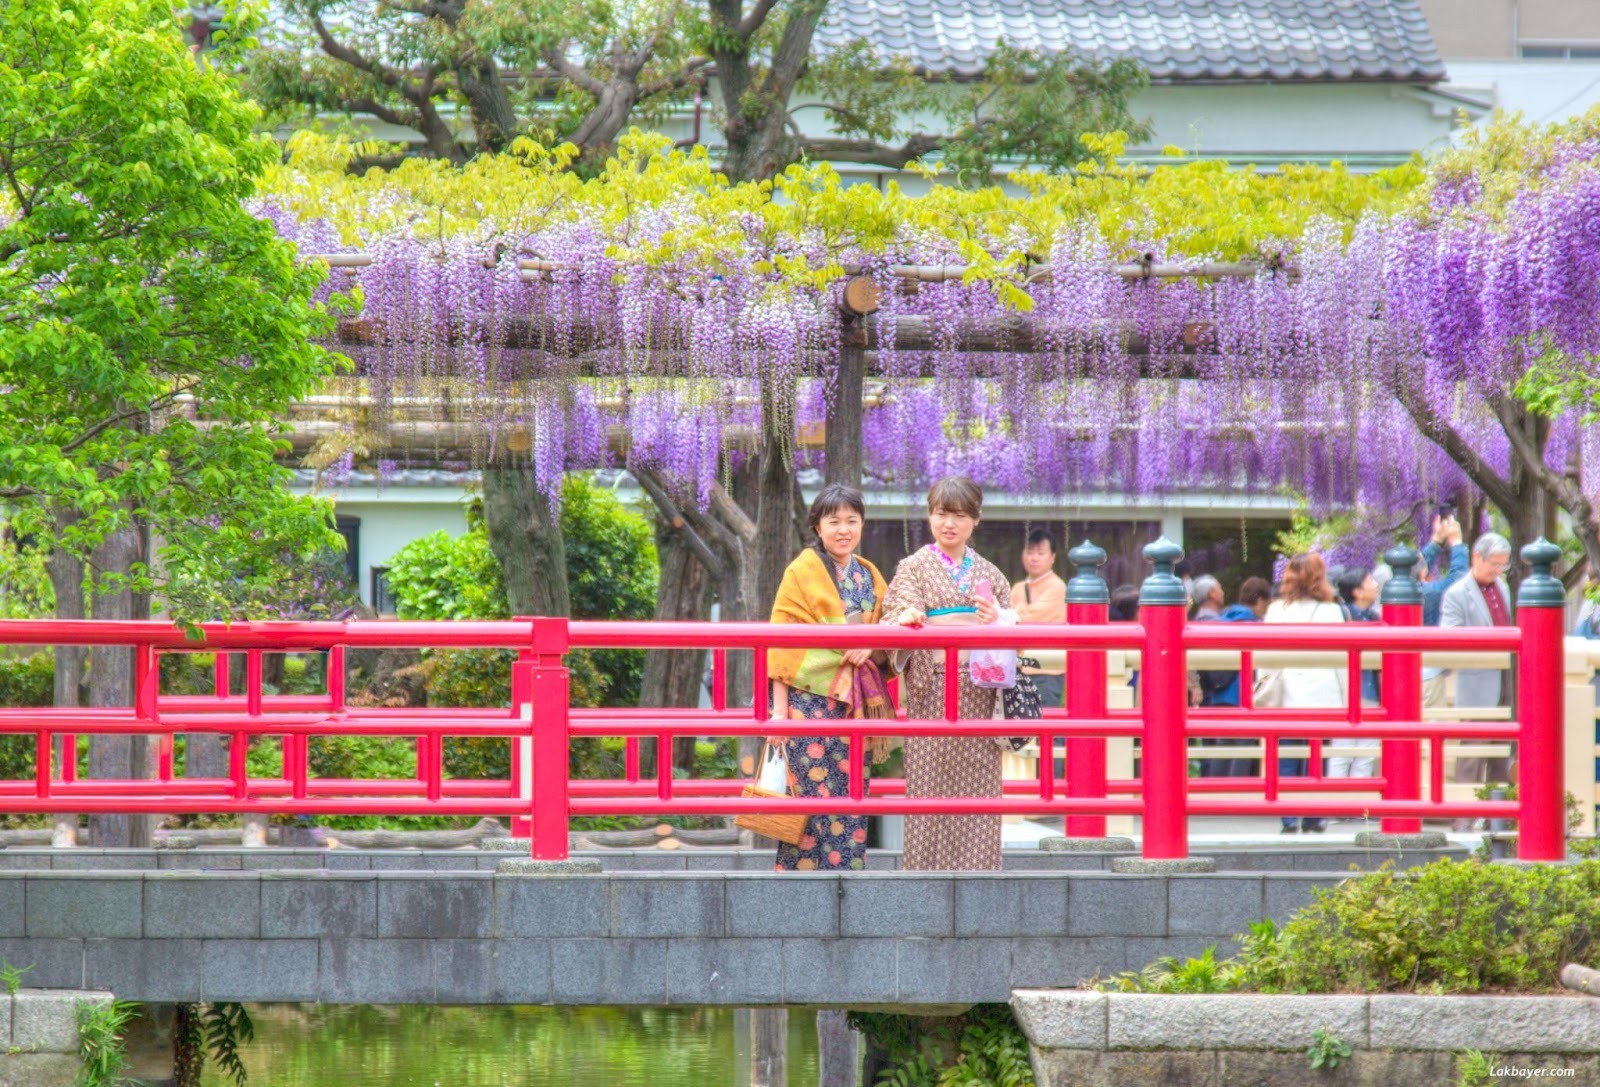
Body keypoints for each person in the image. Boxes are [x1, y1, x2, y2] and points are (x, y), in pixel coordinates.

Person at [882, 476, 1016, 871]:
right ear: (930, 516)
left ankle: (978, 871)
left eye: (959, 515)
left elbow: (1013, 627)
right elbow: (896, 611)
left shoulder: (990, 573)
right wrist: (909, 617)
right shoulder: (912, 568)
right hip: (933, 685)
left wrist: (997, 619)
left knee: (979, 781)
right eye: (941, 514)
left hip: (979, 686)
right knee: (929, 780)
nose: (949, 524)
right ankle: (924, 872)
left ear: (976, 519)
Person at [765, 484, 893, 871]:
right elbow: (783, 646)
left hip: (854, 706)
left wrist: (871, 645)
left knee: (852, 798)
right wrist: (779, 713)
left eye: (852, 521)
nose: (843, 530)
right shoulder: (801, 572)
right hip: (807, 703)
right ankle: (801, 888)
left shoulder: (870, 575)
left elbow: (888, 636)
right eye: (833, 521)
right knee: (808, 800)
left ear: (862, 525)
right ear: (817, 527)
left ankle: (847, 881)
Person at [1264, 553, 1347, 833]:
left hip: (1287, 689)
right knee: (1317, 756)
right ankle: (1314, 815)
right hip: (1322, 690)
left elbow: (1265, 658)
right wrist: (1346, 698)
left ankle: (1288, 816)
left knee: (1287, 755)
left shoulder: (1276, 610)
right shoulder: (1331, 611)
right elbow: (1342, 659)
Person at [1441, 533, 1514, 829]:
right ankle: (1464, 819)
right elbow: (1449, 638)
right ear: (1476, 557)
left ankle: (1497, 818)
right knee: (1472, 752)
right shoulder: (1457, 593)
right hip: (1477, 679)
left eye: (1502, 565)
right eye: (1494, 564)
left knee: (1502, 751)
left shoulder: (1503, 587)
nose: (1498, 570)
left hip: (1505, 676)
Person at [1195, 577, 1272, 777]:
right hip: (1242, 693)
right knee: (1243, 747)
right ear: (1260, 600)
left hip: (1219, 693)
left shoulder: (1222, 620)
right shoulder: (1253, 625)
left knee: (1223, 746)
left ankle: (1215, 790)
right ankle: (1237, 792)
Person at [1328, 565, 1380, 782]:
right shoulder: (1342, 615)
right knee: (1343, 752)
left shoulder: (1374, 616)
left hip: (1372, 691)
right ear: (1357, 592)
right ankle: (1336, 798)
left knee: (1367, 753)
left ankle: (1360, 800)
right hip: (1348, 693)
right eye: (1370, 580)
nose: (1376, 584)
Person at [1010, 529, 1066, 709]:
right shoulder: (1018, 587)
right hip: (1018, 668)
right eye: (1029, 552)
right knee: (1020, 723)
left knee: (1045, 719)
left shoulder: (1057, 587)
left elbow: (1026, 619)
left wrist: (1011, 614)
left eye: (1040, 553)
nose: (1033, 558)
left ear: (1053, 557)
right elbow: (1008, 619)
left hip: (1046, 670)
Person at [1420, 514, 1469, 709]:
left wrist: (1436, 541)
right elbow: (1458, 581)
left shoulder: (1392, 586)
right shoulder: (1427, 594)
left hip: (1400, 674)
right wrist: (1457, 543)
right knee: (1432, 724)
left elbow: (1416, 566)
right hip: (1426, 676)